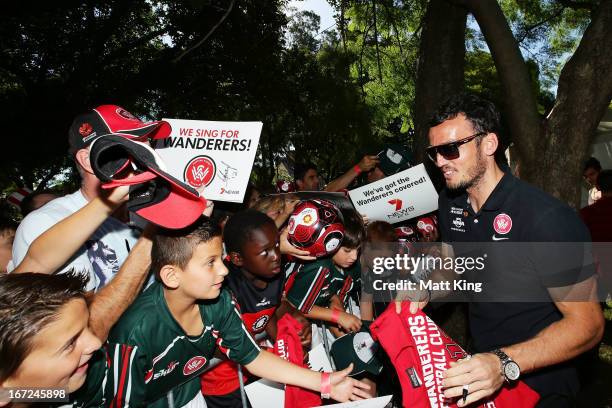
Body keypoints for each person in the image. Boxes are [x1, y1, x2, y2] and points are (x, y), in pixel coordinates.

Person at [413, 93, 604, 407]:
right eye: (434, 153)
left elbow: (588, 324)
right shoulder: (450, 202)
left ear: (488, 144)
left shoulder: (546, 219)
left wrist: (502, 362)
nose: (440, 162)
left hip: (542, 385)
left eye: (450, 150)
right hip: (482, 373)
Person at [73, 217, 370, 407]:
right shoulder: (136, 330)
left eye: (221, 259)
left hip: (188, 396)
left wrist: (325, 382)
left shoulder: (219, 303)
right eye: (211, 262)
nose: (224, 270)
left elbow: (253, 358)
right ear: (172, 276)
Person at [10, 105, 167, 290]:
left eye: (145, 143)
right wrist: (151, 236)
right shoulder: (45, 223)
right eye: (132, 144)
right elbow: (82, 318)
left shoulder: (148, 210)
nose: (147, 153)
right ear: (88, 160)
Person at [200, 209, 311, 407]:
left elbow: (268, 312)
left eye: (277, 245)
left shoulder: (274, 272)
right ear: (237, 259)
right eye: (264, 252)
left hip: (258, 371)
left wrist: (287, 339)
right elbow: (209, 345)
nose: (276, 256)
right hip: (223, 383)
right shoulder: (222, 287)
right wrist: (263, 352)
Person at [580, 169, 612, 242]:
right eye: (586, 177)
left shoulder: (587, 213)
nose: (589, 179)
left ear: (597, 187)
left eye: (592, 174)